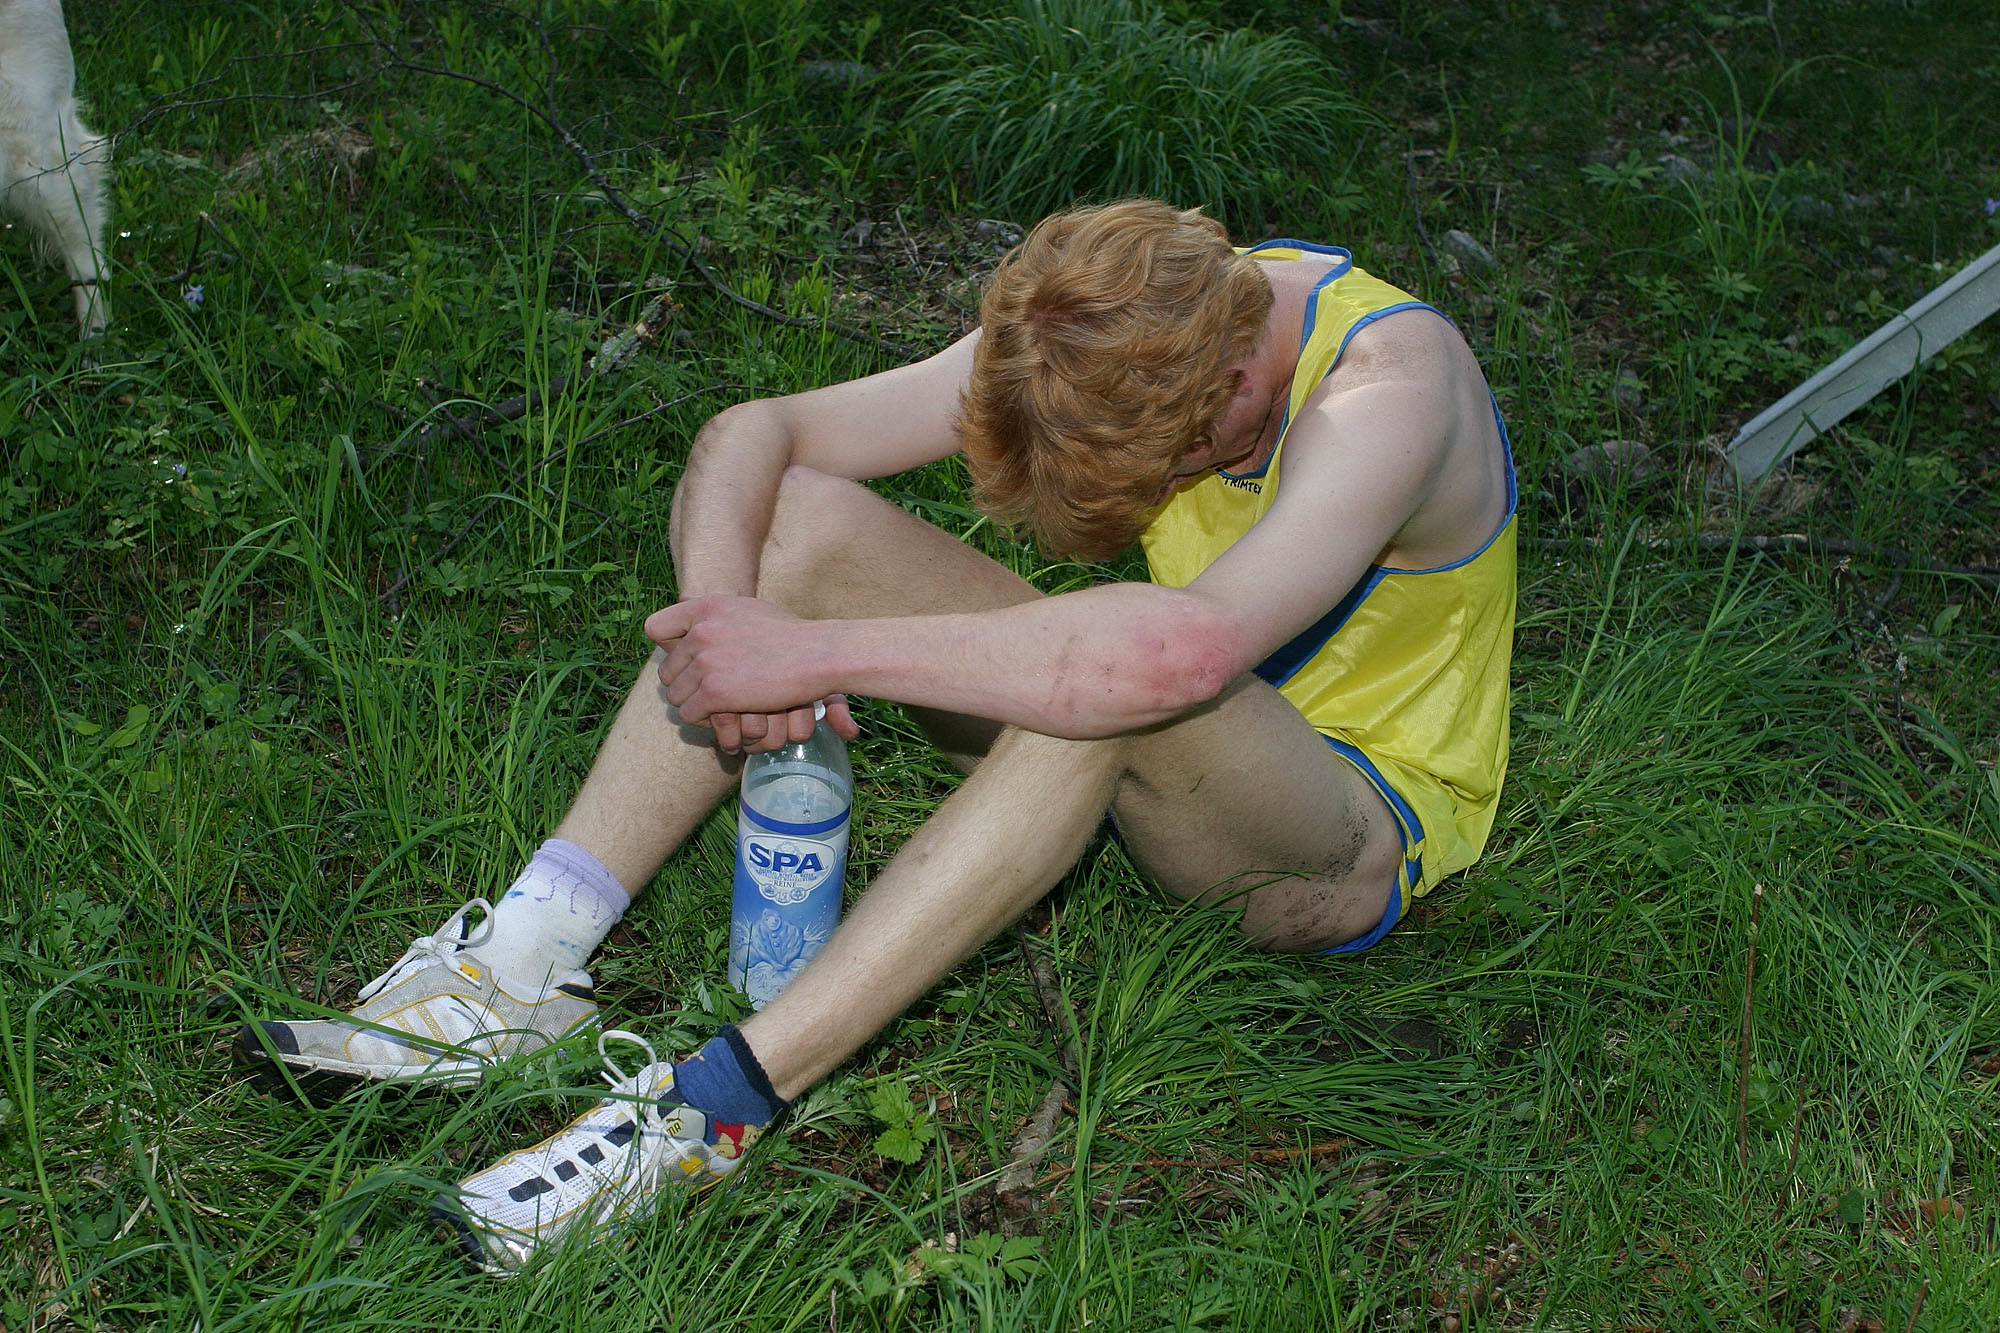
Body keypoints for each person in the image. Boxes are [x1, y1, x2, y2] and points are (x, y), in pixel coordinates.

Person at [235, 199, 1518, 1274]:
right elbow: (756, 434)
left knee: (1110, 674)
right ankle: (525, 957)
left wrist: (821, 655)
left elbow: (1173, 655)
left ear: (1238, 385)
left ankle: (707, 1113)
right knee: (803, 521)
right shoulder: (1121, 318)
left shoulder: (1387, 393)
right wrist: (732, 631)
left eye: (1175, 470)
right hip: (1152, 757)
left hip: (1336, 838)